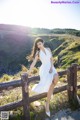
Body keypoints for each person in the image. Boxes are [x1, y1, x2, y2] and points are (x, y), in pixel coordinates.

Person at [26, 37, 59, 117]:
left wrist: (51, 67)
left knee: (56, 79)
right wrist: (28, 72)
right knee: (51, 84)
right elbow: (33, 63)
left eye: (40, 44)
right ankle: (47, 104)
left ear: (43, 43)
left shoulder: (48, 49)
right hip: (44, 69)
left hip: (51, 68)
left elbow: (51, 59)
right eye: (37, 45)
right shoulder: (38, 53)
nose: (39, 46)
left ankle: (48, 99)